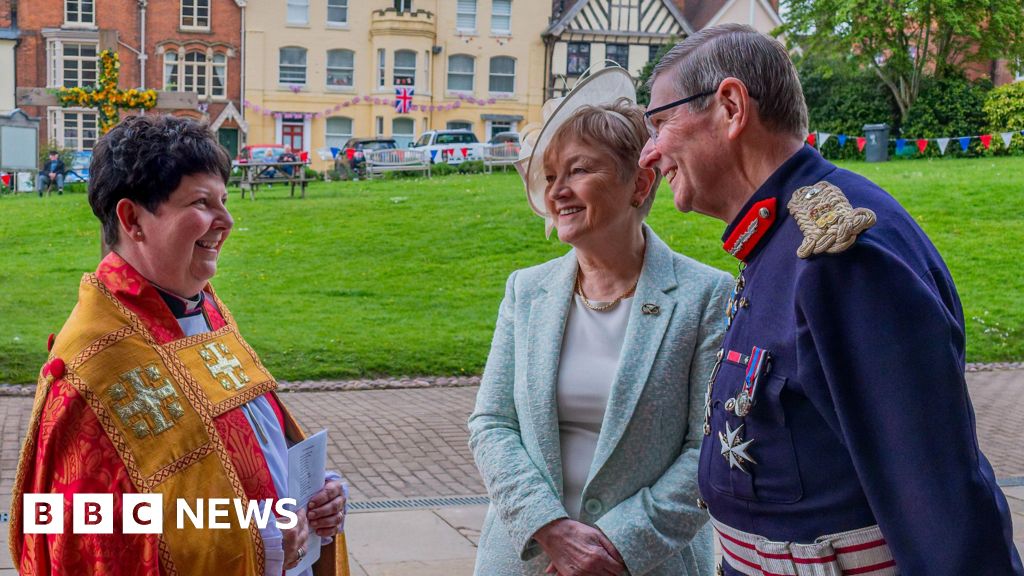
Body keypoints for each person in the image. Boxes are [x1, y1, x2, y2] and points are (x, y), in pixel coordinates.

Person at [639, 24, 1023, 576]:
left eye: (660, 123)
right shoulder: (778, 237)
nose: (651, 152)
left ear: (729, 106)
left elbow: (937, 504)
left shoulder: (840, 254)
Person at [10, 115, 350, 576]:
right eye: (202, 202)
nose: (226, 221)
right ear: (133, 219)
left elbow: (254, 444)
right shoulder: (91, 367)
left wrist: (314, 494)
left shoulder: (203, 308)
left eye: (224, 201)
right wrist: (259, 540)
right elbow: (79, 529)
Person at [469, 66, 732, 576]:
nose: (557, 192)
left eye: (579, 170)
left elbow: (708, 450)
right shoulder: (526, 290)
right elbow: (491, 424)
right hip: (527, 558)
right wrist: (552, 529)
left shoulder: (706, 296)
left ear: (639, 183)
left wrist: (614, 546)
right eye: (550, 176)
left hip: (647, 563)